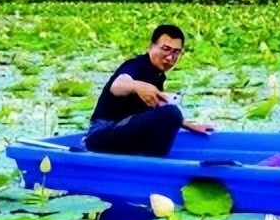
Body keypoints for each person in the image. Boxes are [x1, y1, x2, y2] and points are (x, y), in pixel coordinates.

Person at [84, 24, 212, 156]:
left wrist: (185, 124)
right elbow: (118, 85)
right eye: (166, 49)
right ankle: (153, 165)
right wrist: (138, 86)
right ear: (151, 46)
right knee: (171, 112)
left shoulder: (158, 76)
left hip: (124, 132)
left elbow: (155, 112)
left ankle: (151, 164)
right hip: (100, 135)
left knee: (170, 117)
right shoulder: (135, 66)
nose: (170, 58)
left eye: (176, 52)